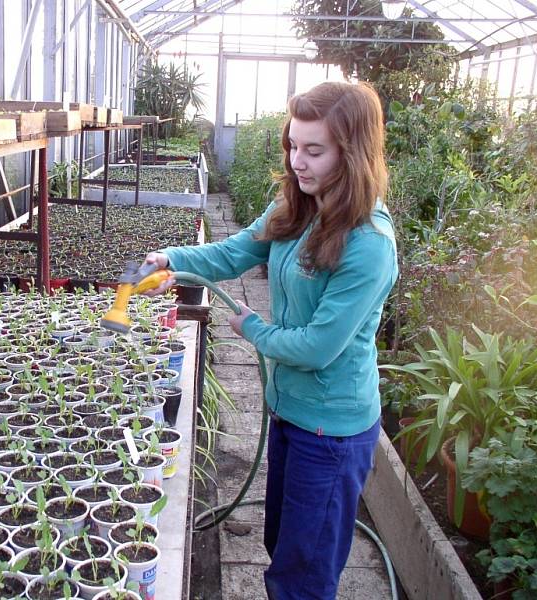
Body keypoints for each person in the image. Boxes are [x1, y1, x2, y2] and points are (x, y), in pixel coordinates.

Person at [143, 81, 399, 600]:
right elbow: (235, 253)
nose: (296, 161)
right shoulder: (299, 208)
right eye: (292, 144)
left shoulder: (368, 244)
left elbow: (316, 347)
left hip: (331, 433)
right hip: (289, 414)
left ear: (352, 154)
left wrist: (250, 327)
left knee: (302, 576)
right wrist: (173, 259)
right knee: (282, 544)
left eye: (314, 150)